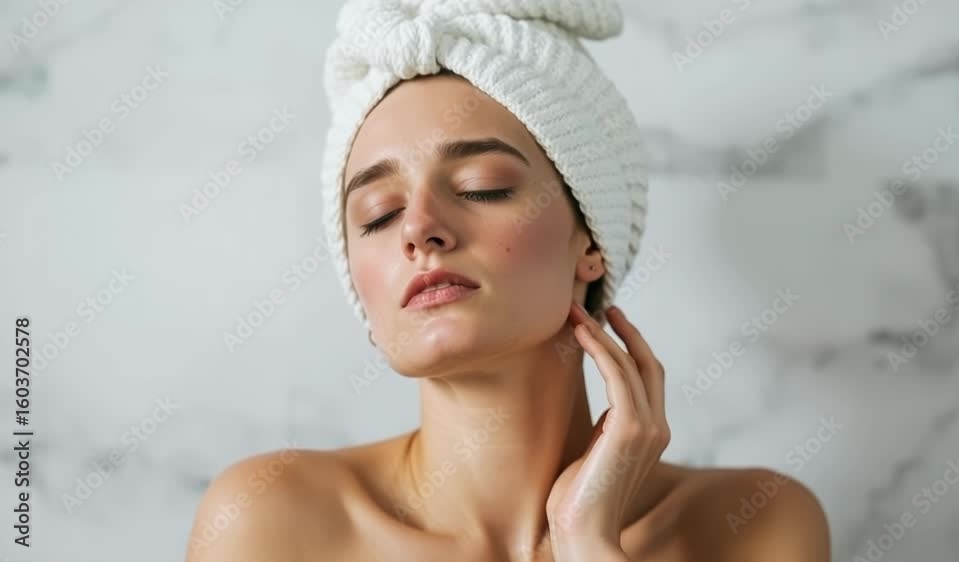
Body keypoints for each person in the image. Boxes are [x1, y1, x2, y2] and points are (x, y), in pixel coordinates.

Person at [185, 1, 831, 560]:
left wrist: (588, 541)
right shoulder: (269, 522)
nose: (419, 229)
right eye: (377, 215)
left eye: (481, 187)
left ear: (590, 242)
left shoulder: (753, 525)